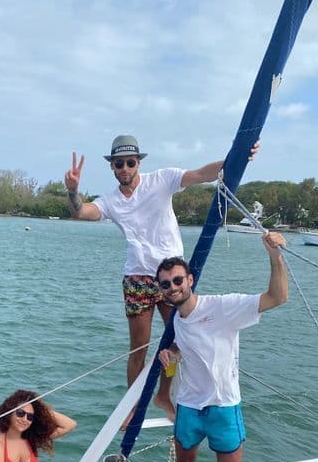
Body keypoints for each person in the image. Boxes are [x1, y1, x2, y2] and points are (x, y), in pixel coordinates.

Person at [64, 135, 257, 421]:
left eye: (131, 162)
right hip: (137, 279)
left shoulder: (162, 180)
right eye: (119, 164)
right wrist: (73, 191)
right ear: (113, 167)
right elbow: (81, 212)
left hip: (170, 276)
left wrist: (237, 156)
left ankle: (163, 395)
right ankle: (132, 407)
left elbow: (203, 174)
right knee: (138, 348)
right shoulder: (111, 201)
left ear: (138, 163)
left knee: (177, 340)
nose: (125, 168)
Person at [156, 231, 289, 462]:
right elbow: (183, 346)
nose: (173, 287)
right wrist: (171, 355)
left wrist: (275, 256)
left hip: (224, 407)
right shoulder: (177, 319)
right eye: (166, 284)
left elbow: (278, 297)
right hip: (190, 406)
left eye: (178, 280)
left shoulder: (222, 306)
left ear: (190, 280)